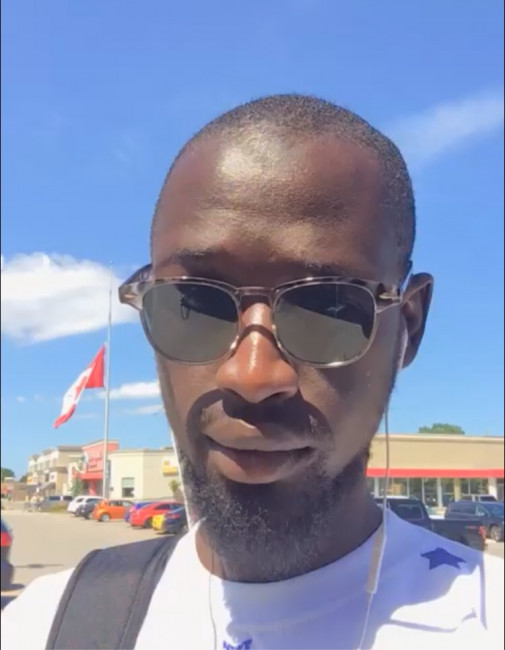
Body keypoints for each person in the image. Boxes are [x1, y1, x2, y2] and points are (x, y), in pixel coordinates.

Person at [2, 94, 503, 649]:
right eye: (195, 304)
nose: (253, 375)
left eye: (328, 306)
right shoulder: (47, 626)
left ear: (409, 325)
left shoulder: (485, 620)